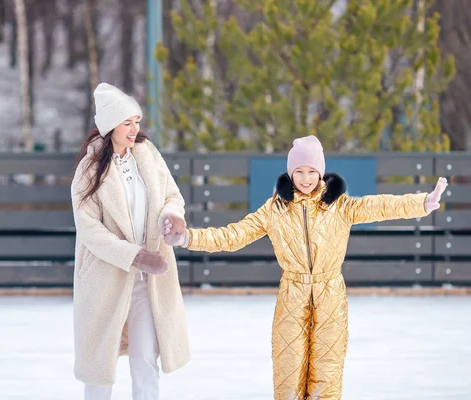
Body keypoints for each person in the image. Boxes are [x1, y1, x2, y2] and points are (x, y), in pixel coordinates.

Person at [162, 135, 447, 400]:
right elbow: (233, 235)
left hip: (331, 296)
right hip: (292, 297)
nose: (306, 178)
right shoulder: (274, 209)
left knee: (327, 376)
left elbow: (380, 206)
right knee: (288, 378)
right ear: (290, 173)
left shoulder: (340, 206)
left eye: (312, 171)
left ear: (321, 172)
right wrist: (188, 237)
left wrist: (422, 202)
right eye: (299, 171)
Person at [71, 82, 190, 400]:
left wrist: (172, 216)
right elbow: (90, 231)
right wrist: (134, 255)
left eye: (137, 121)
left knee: (145, 360)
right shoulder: (90, 168)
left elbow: (172, 196)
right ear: (111, 125)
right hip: (105, 279)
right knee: (99, 367)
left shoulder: (148, 155)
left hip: (148, 282)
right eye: (128, 122)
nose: (135, 128)